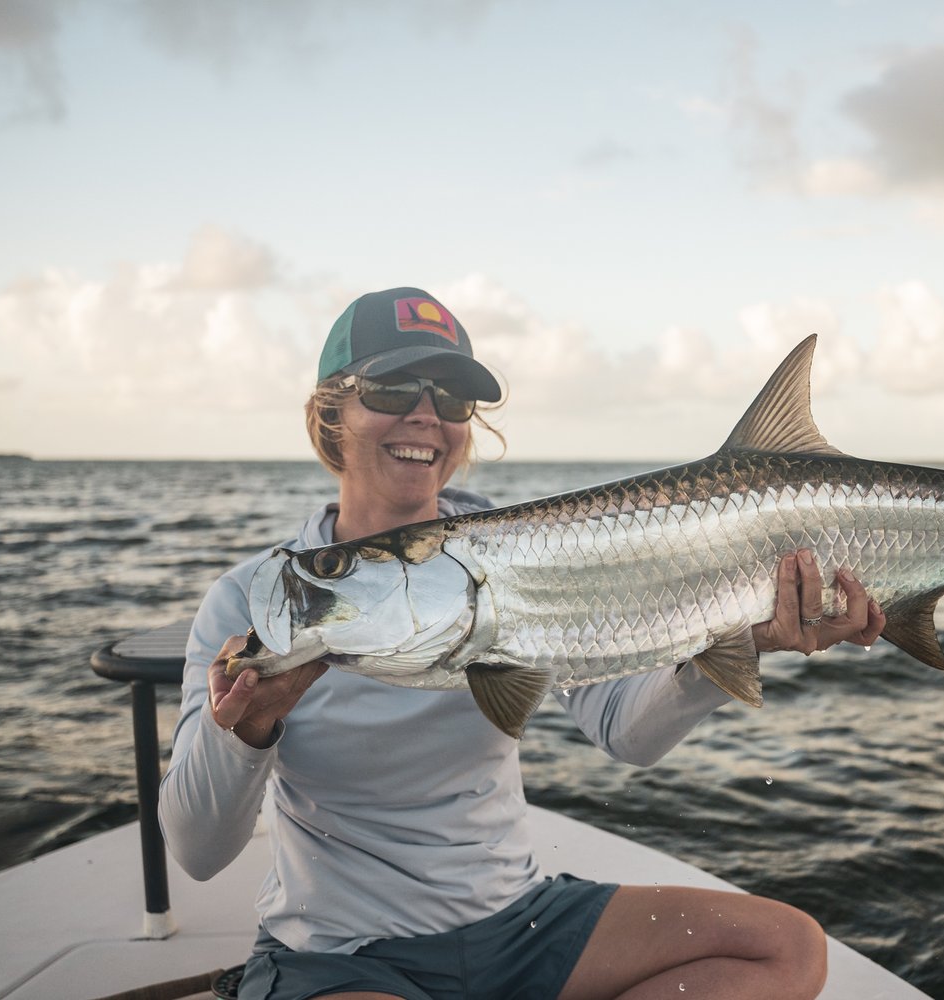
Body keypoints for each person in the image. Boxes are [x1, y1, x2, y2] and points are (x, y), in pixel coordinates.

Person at [160, 287, 887, 1000]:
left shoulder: (524, 554)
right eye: (390, 389)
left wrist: (737, 643)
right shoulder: (261, 595)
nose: (425, 415)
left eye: (450, 399)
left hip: (519, 925)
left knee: (786, 950)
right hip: (344, 953)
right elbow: (196, 851)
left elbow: (624, 734)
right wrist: (248, 728)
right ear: (330, 413)